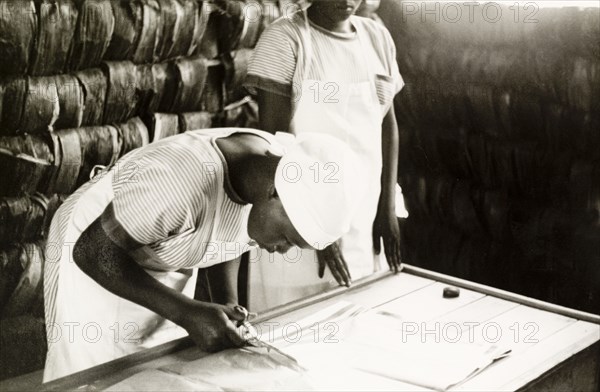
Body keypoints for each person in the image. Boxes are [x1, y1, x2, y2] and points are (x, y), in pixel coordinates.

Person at [42, 128, 365, 382]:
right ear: (274, 194)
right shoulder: (177, 183)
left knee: (154, 365)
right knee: (96, 368)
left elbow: (229, 231)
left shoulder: (267, 172)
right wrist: (185, 311)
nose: (282, 251)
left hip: (164, 243)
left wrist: (225, 302)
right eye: (287, 239)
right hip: (98, 246)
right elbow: (93, 252)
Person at [244, 0, 406, 309]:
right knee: (296, 327)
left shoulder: (377, 38)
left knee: (358, 325)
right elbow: (278, 146)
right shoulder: (285, 39)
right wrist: (316, 230)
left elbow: (387, 124)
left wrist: (387, 207)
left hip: (363, 215)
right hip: (294, 221)